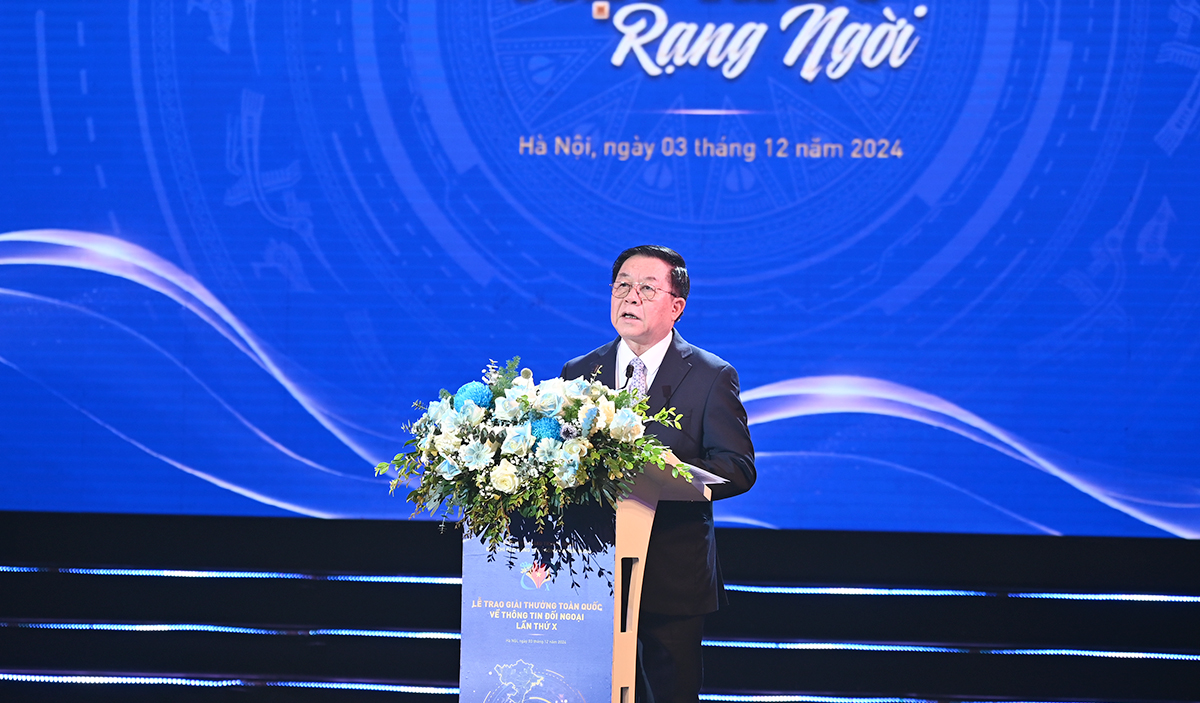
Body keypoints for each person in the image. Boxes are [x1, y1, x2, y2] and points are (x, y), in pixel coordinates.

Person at [561, 245, 756, 703]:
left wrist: (666, 475)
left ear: (676, 306)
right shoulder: (579, 371)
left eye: (647, 289)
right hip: (591, 571)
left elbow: (738, 468)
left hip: (671, 574)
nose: (630, 297)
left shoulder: (711, 375)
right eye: (622, 286)